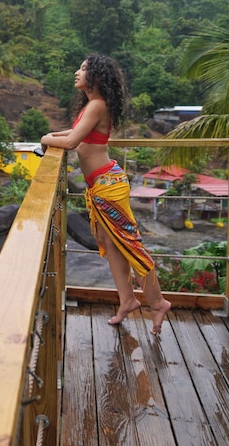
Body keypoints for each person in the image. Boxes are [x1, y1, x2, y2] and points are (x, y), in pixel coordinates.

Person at [40, 54, 171, 334]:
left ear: (96, 78)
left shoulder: (97, 105)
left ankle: (158, 303)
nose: (77, 72)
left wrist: (45, 140)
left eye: (83, 69)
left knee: (130, 246)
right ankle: (127, 300)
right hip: (101, 185)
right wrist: (54, 134)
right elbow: (74, 131)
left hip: (108, 186)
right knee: (108, 242)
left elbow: (73, 141)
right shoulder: (94, 106)